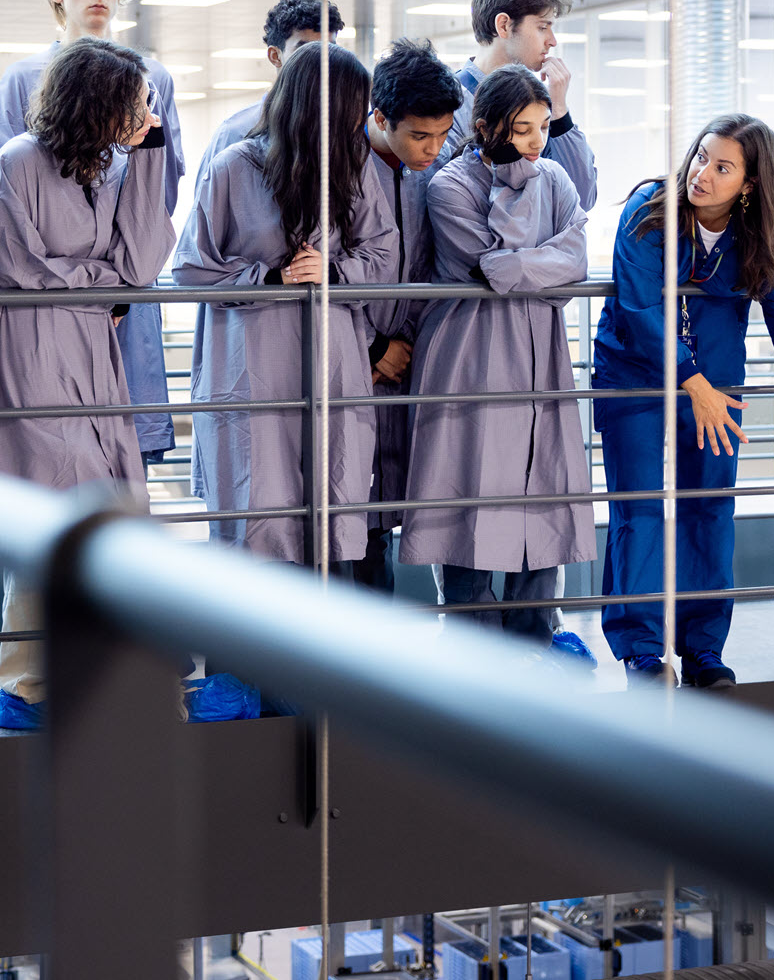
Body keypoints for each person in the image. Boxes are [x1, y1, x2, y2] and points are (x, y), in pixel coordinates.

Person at [0, 38, 178, 729]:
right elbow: (17, 268)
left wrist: (150, 151)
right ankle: (23, 688)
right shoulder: (19, 162)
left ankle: (91, 676)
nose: (149, 111)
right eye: (138, 102)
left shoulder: (109, 166)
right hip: (27, 360)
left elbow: (139, 264)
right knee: (49, 513)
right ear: (100, 102)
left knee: (110, 508)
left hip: (90, 357)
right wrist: (97, 282)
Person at [593, 112, 774, 688]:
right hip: (635, 378)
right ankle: (642, 651)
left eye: (722, 167)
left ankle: (703, 649)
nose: (702, 173)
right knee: (641, 508)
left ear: (749, 185)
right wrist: (694, 382)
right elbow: (640, 308)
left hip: (715, 390)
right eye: (701, 156)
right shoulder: (650, 212)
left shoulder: (763, 235)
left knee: (708, 510)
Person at [175, 40, 400, 565]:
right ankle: (243, 647)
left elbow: (383, 251)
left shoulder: (352, 166)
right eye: (352, 107)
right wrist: (270, 278)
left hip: (331, 358)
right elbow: (192, 268)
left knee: (330, 509)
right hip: (253, 362)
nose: (359, 120)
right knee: (259, 517)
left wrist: (334, 270)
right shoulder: (233, 167)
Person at [401, 65, 596, 663]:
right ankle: (473, 647)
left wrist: (527, 265)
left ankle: (533, 639)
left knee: (543, 489)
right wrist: (538, 260)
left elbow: (577, 260)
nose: (537, 142)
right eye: (522, 130)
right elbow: (487, 266)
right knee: (470, 495)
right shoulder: (447, 185)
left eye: (542, 127)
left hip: (539, 355)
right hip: (470, 353)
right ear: (484, 126)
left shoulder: (557, 175)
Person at [0, 0, 184, 467]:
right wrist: (88, 283)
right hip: (50, 300)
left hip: (127, 291)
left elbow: (157, 193)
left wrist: (123, 288)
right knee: (49, 451)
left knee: (123, 455)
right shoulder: (22, 81)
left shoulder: (152, 79)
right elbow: (12, 205)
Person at [355, 38, 462, 591]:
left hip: (405, 364)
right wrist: (373, 348)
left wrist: (408, 343)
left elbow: (432, 267)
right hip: (351, 364)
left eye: (443, 135)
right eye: (420, 135)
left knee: (387, 510)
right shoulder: (341, 172)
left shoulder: (431, 177)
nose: (433, 148)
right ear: (379, 116)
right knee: (348, 511)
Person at [454, 0, 598, 208]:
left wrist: (559, 113)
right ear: (504, 26)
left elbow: (581, 198)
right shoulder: (448, 103)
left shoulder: (540, 105)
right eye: (543, 27)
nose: (552, 41)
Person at [192, 0, 345, 198]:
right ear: (275, 56)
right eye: (305, 50)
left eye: (329, 50)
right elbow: (203, 218)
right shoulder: (237, 132)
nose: (319, 61)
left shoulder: (343, 130)